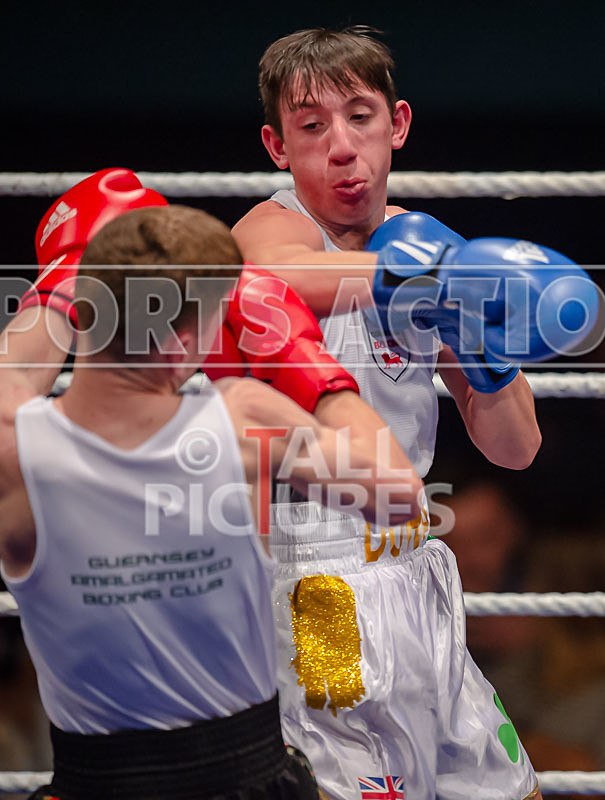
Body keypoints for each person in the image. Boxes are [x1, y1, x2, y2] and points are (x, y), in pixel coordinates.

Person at [231, 25, 596, 800]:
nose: (340, 146)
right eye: (311, 126)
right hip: (317, 587)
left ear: (395, 124)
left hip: (418, 575)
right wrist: (427, 276)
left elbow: (515, 448)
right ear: (276, 146)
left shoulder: (430, 251)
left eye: (358, 117)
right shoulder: (277, 228)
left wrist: (480, 343)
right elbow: (265, 271)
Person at [0, 169, 425, 800]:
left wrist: (69, 279)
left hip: (92, 785)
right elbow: (399, 493)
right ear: (186, 343)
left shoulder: (16, 452)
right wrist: (307, 364)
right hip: (248, 780)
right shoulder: (243, 423)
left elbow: (14, 372)